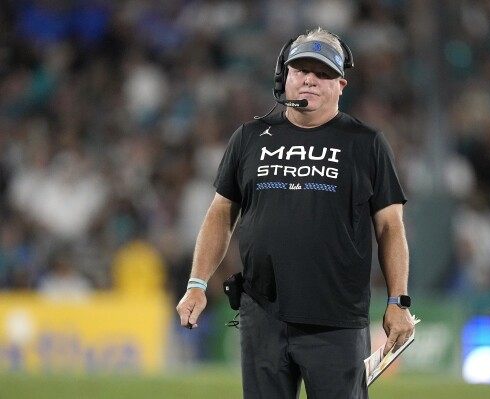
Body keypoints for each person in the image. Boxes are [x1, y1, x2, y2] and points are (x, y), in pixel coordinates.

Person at [176, 27, 414, 399]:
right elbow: (222, 213)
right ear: (283, 77)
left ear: (340, 85)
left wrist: (398, 300)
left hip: (336, 321)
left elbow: (390, 227)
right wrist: (196, 284)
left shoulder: (367, 144)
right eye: (300, 70)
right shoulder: (250, 137)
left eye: (322, 73)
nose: (309, 80)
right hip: (263, 317)